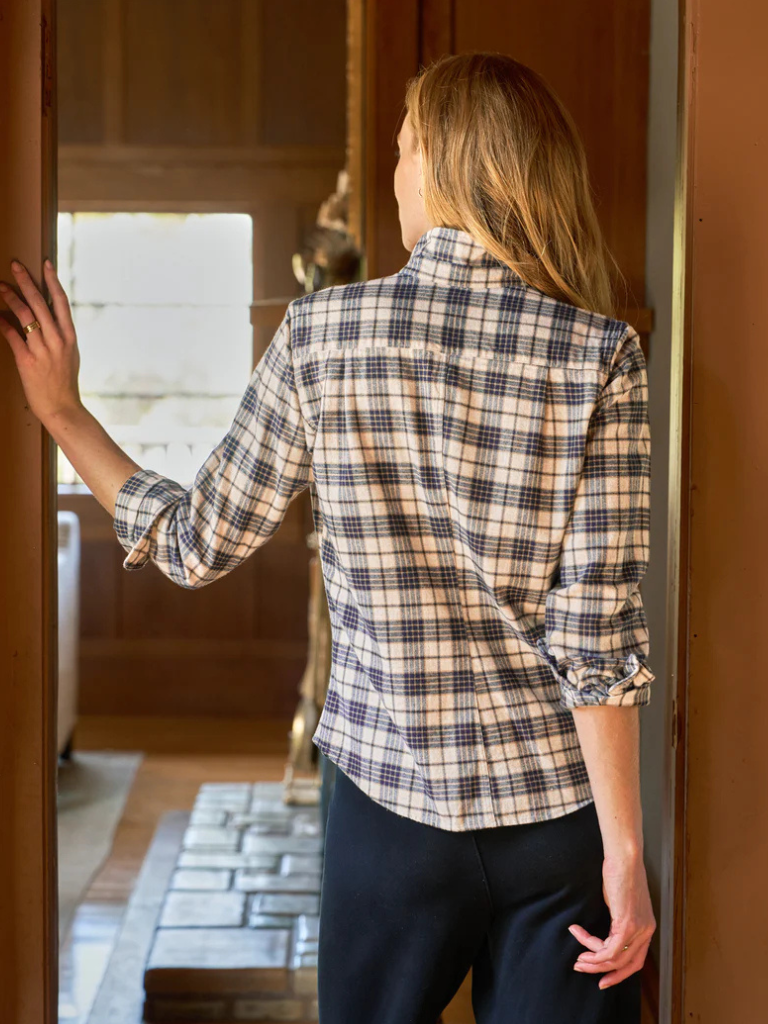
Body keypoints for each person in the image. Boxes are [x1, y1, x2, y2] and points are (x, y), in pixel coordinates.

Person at [1, 50, 656, 1024]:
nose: (393, 177)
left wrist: (63, 416)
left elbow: (192, 545)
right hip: (557, 822)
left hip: (387, 815)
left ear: (440, 162)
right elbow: (595, 645)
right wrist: (626, 855)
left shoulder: (322, 333)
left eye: (400, 150)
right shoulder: (601, 352)